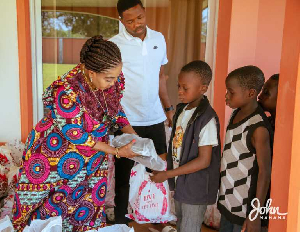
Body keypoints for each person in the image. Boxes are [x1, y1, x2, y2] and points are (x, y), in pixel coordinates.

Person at [12, 35, 138, 231]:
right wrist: (119, 151)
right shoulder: (67, 92)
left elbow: (115, 109)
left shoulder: (111, 80)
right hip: (54, 156)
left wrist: (133, 135)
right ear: (91, 73)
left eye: (116, 77)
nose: (114, 83)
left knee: (88, 205)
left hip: (94, 156)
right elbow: (78, 137)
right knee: (49, 208)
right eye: (109, 78)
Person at [109, 0, 174, 224]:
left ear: (144, 12)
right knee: (124, 176)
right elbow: (110, 86)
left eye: (139, 17)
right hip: (126, 119)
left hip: (155, 117)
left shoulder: (159, 39)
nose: (136, 24)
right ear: (121, 20)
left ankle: (155, 218)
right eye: (129, 21)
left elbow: (160, 76)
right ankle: (120, 222)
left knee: (157, 172)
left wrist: (168, 108)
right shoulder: (114, 45)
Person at [151, 60, 221, 232]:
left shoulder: (207, 119)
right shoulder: (182, 111)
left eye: (185, 88)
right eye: (178, 86)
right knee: (182, 224)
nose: (180, 92)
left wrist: (168, 174)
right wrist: (157, 161)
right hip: (182, 183)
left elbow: (204, 161)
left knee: (189, 227)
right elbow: (178, 146)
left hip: (196, 189)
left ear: (203, 88)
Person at [218, 66, 273, 232]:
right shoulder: (237, 113)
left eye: (231, 92)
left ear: (250, 93)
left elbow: (265, 172)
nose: (226, 96)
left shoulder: (258, 128)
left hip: (245, 210)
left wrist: (255, 213)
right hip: (228, 202)